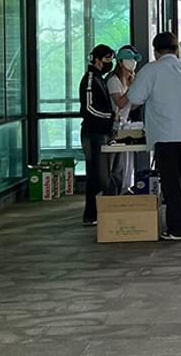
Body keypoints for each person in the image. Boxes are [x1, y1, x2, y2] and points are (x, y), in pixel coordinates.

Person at [126, 32, 181, 241]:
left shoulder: (151, 69)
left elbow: (135, 97)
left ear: (155, 51)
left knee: (172, 183)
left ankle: (179, 229)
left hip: (169, 134)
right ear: (177, 50)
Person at [78, 44, 115, 226]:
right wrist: (110, 117)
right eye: (107, 59)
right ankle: (91, 214)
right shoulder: (91, 79)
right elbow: (89, 108)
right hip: (93, 133)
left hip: (100, 132)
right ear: (97, 60)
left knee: (101, 175)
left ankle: (97, 213)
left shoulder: (99, 78)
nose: (110, 63)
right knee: (96, 175)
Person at [106, 44, 142, 194]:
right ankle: (112, 193)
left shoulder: (128, 80)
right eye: (129, 60)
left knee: (124, 163)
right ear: (120, 62)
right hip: (113, 126)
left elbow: (130, 107)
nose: (132, 63)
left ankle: (124, 188)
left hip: (124, 124)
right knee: (114, 164)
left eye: (134, 60)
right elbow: (120, 103)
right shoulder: (113, 81)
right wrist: (131, 89)